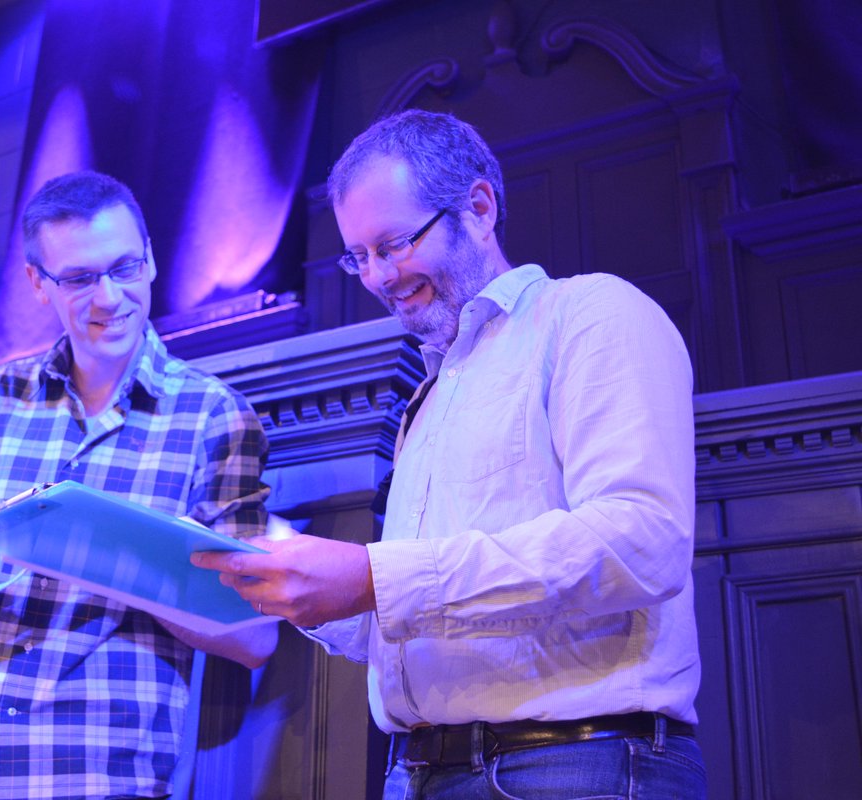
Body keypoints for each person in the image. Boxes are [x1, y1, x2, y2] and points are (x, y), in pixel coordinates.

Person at [192, 109, 706, 798]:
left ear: (480, 207)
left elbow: (642, 541)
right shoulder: (430, 395)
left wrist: (375, 578)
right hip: (425, 770)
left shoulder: (591, 315)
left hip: (573, 765)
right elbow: (432, 614)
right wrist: (284, 572)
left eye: (395, 243)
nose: (375, 276)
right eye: (359, 255)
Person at [0, 171, 277, 800]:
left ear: (149, 260)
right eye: (81, 278)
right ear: (39, 284)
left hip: (90, 775)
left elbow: (257, 634)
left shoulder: (215, 418)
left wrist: (111, 564)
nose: (110, 297)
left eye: (124, 268)